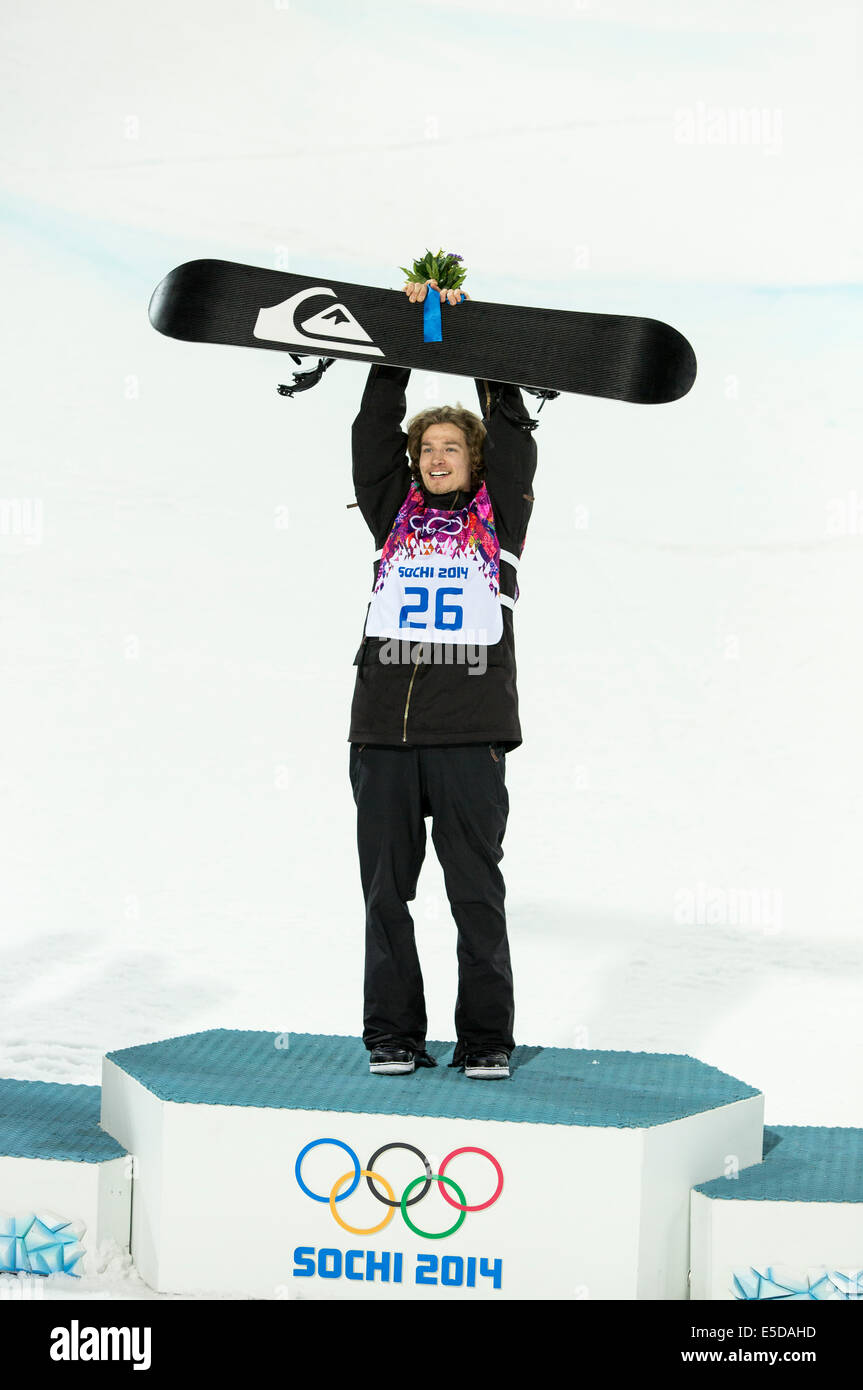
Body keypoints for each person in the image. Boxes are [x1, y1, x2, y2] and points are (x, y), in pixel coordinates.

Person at [348, 276, 540, 1080]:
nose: (435, 457)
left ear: (475, 462)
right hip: (383, 731)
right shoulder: (391, 512)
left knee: (474, 895)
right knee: (387, 898)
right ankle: (393, 1033)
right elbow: (369, 434)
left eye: (451, 447)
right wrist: (397, 345)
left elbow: (513, 435)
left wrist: (480, 348)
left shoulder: (499, 518)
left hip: (469, 732)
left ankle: (485, 1038)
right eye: (426, 449)